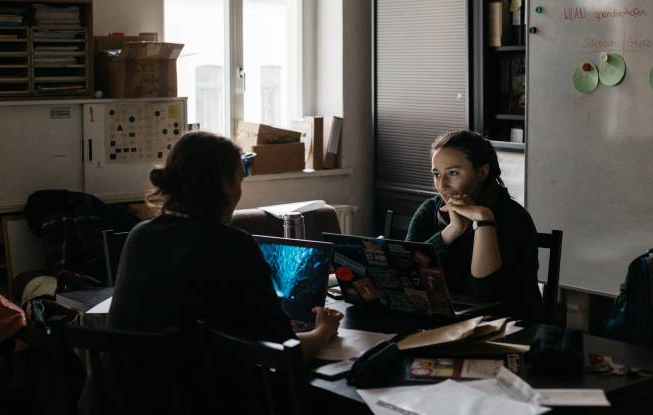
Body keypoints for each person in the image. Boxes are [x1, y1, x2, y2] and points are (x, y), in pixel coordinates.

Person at [80, 131, 342, 414]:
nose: (240, 193)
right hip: (182, 403)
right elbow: (287, 350)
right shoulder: (232, 244)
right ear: (223, 185)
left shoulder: (140, 235)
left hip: (113, 401)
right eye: (239, 181)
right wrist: (322, 331)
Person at [406, 130, 543, 321]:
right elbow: (407, 275)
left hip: (507, 325)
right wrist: (451, 231)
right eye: (437, 174)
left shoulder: (514, 218)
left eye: (453, 173)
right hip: (443, 322)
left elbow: (486, 296)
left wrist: (484, 220)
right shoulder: (429, 210)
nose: (442, 184)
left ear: (481, 172)